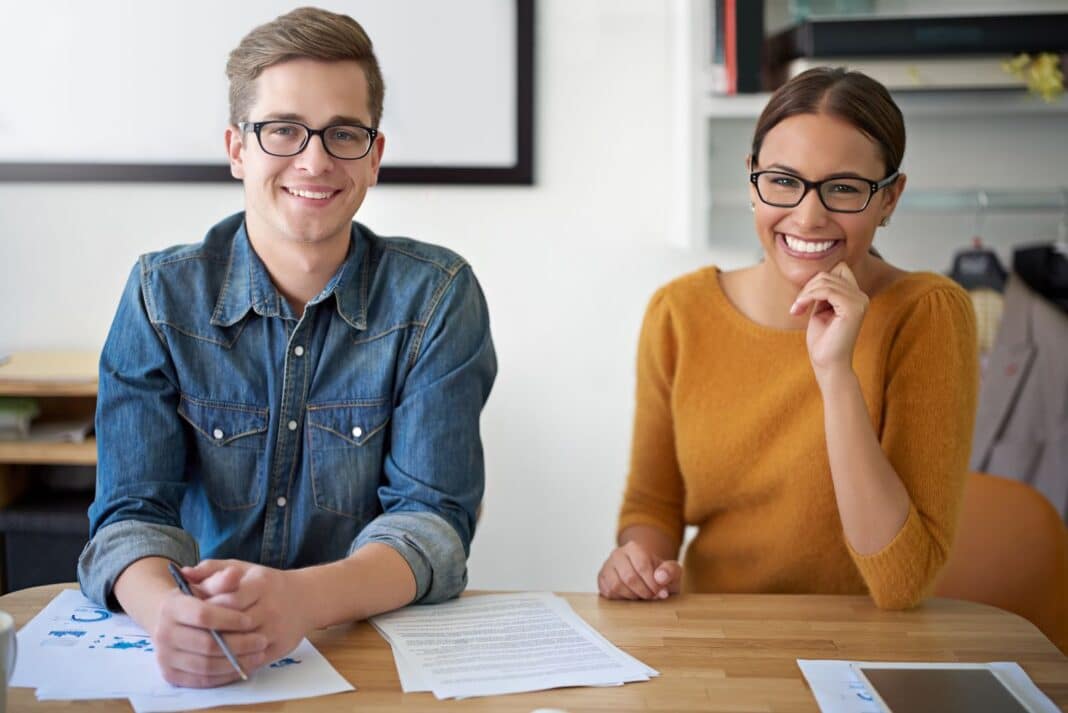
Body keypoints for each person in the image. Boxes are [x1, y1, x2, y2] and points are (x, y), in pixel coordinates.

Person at [78, 7, 496, 688]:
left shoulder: (437, 296)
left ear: (375, 155)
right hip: (191, 652)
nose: (315, 159)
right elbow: (130, 514)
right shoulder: (160, 295)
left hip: (365, 657)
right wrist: (165, 614)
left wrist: (299, 600)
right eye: (283, 130)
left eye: (343, 133)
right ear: (238, 148)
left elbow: (434, 523)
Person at [597, 68, 978, 610]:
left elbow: (901, 584)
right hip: (717, 643)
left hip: (859, 657)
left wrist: (836, 374)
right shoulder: (679, 313)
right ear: (751, 176)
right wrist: (638, 564)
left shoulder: (928, 315)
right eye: (782, 180)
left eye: (844, 188)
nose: (808, 215)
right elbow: (653, 507)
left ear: (890, 199)